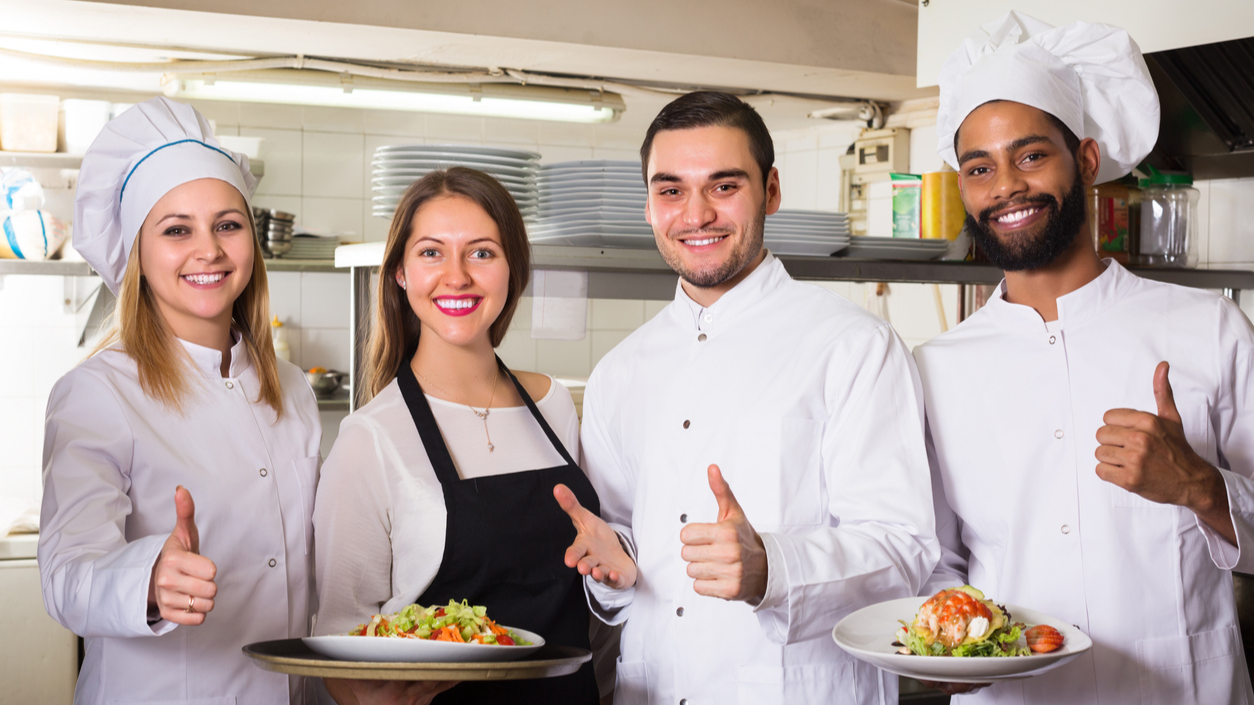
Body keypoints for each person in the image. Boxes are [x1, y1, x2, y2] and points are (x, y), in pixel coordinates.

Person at [551, 91, 940, 704]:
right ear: (649, 206)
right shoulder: (618, 372)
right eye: (671, 189)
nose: (696, 214)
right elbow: (622, 541)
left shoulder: (854, 346)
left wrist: (773, 568)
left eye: (724, 186)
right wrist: (611, 570)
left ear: (772, 191)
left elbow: (903, 547)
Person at [914, 11, 1254, 704]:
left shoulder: (1207, 327)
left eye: (1031, 155)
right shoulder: (937, 367)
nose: (1005, 184)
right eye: (979, 168)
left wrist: (1198, 485)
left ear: (1088, 161)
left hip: (1184, 690)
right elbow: (938, 565)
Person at [38, 97, 322, 704]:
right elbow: (66, 576)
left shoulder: (292, 389)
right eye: (176, 230)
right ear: (139, 254)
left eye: (227, 223)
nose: (210, 250)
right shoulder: (97, 394)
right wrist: (147, 578)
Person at [313, 167, 604, 705]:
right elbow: (339, 635)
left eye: (481, 253)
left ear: (512, 269)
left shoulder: (554, 406)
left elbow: (591, 604)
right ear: (400, 272)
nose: (457, 276)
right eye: (430, 253)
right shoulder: (370, 440)